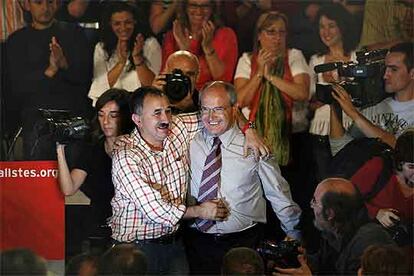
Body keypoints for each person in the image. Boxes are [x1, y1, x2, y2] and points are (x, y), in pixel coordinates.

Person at [110, 86, 268, 274]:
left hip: (174, 244)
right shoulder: (126, 156)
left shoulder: (177, 129)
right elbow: (157, 211)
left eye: (168, 111)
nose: (165, 119)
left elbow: (221, 112)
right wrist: (200, 211)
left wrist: (249, 129)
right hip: (134, 250)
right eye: (157, 113)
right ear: (137, 120)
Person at [185, 81, 302, 274]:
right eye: (205, 109)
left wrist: (294, 234)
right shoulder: (189, 139)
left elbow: (278, 193)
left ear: (234, 109)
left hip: (243, 243)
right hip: (199, 244)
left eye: (218, 109)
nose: (210, 117)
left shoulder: (254, 146)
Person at [5, 0, 92, 160]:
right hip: (36, 119)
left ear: (57, 4)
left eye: (50, 2)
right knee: (39, 178)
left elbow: (85, 79)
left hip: (72, 115)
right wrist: (50, 70)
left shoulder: (74, 34)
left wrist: (64, 64)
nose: (45, 8)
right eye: (39, 2)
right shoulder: (16, 41)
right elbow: (17, 88)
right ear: (27, 4)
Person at [57, 89, 133, 257]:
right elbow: (68, 189)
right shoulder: (93, 149)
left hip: (131, 228)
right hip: (99, 225)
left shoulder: (136, 148)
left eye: (113, 115)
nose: (105, 121)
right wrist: (60, 148)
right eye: (101, 115)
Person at [234, 11, 310, 166]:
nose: (278, 38)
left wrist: (270, 77)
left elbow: (302, 93)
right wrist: (260, 72)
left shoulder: (294, 56)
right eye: (271, 32)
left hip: (292, 135)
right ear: (259, 35)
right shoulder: (246, 60)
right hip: (255, 135)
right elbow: (241, 101)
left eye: (282, 32)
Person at [274, 178, 395, 275]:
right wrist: (302, 258)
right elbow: (324, 265)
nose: (311, 205)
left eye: (315, 201)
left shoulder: (369, 244)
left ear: (330, 213)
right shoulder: (334, 231)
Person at [330, 42, 414, 153]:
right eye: (385, 68)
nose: (385, 75)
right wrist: (335, 102)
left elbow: (402, 149)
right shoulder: (373, 108)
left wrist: (354, 114)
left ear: (412, 73)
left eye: (394, 70)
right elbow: (340, 149)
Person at [88, 2, 161, 106]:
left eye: (128, 22)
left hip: (141, 106)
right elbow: (99, 88)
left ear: (135, 22)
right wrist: (121, 63)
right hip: (111, 107)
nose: (123, 28)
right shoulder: (101, 47)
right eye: (117, 23)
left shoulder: (150, 44)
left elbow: (153, 86)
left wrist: (137, 58)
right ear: (110, 24)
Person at [162, 0, 238, 90]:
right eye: (193, 5)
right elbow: (165, 79)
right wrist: (184, 51)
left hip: (211, 98)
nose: (199, 11)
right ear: (185, 7)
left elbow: (224, 80)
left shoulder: (226, 35)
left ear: (212, 8)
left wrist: (208, 48)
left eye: (205, 6)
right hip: (180, 96)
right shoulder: (174, 35)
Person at [308, 3, 359, 137]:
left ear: (342, 27)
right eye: (322, 27)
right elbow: (307, 101)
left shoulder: (356, 56)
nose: (326, 32)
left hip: (354, 123)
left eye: (331, 26)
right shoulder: (316, 60)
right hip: (322, 126)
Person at [351, 129, 413, 229]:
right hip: (367, 233)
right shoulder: (379, 167)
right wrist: (376, 213)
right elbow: (345, 199)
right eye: (412, 167)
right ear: (400, 163)